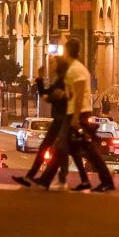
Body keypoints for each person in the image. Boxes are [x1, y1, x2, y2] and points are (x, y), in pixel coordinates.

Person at [31, 38, 115, 192]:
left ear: (68, 50)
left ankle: (106, 179)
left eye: (64, 48)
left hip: (78, 113)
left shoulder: (76, 69)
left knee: (66, 147)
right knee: (73, 148)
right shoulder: (74, 69)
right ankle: (47, 180)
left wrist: (75, 117)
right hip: (75, 113)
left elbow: (78, 94)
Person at [13, 56, 90, 190]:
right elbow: (46, 95)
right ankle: (36, 177)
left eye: (53, 63)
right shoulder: (58, 79)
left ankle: (41, 178)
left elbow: (48, 97)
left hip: (63, 119)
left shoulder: (63, 80)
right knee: (68, 150)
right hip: (60, 119)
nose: (51, 65)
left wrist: (51, 94)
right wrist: (40, 78)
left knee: (62, 150)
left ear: (59, 66)